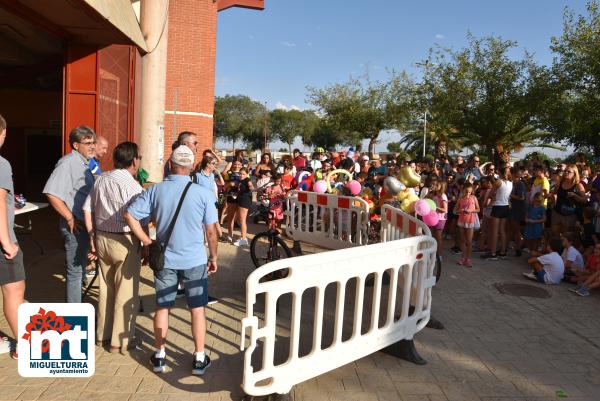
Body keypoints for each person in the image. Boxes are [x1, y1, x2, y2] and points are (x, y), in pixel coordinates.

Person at [125, 145, 218, 375]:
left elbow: (130, 214)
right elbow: (211, 232)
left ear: (171, 164)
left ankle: (159, 354)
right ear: (192, 167)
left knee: (163, 307)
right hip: (195, 259)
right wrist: (214, 256)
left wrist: (147, 242)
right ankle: (198, 357)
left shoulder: (156, 190)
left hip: (165, 259)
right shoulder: (203, 193)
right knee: (197, 309)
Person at [83, 142, 144, 353]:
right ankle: (120, 341)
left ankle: (102, 335)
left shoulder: (101, 180)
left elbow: (86, 208)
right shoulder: (134, 187)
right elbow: (139, 218)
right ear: (134, 160)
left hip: (101, 237)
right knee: (125, 292)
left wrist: (92, 234)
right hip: (125, 240)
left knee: (106, 289)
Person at [43, 125, 96, 303]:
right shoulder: (67, 164)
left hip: (83, 225)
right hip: (75, 226)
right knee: (75, 273)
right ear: (75, 145)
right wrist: (69, 217)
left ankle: (80, 308)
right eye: (87, 143)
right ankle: (75, 316)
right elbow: (52, 193)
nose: (92, 146)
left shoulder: (86, 163)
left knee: (80, 269)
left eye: (93, 142)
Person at [0, 114, 25, 359]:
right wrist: (7, 241)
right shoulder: (2, 164)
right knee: (14, 290)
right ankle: (22, 343)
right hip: (2, 241)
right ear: (3, 134)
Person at [481, 166, 512, 261]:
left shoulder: (498, 182)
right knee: (502, 230)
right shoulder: (511, 183)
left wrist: (490, 198)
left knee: (494, 231)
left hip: (498, 206)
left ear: (500, 172)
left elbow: (491, 194)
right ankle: (503, 252)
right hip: (505, 206)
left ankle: (493, 253)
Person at [551, 164, 587, 234]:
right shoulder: (559, 183)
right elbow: (554, 193)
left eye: (569, 172)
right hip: (557, 213)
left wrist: (575, 195)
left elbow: (585, 200)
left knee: (568, 237)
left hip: (570, 216)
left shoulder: (578, 185)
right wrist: (553, 204)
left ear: (574, 174)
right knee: (555, 235)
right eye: (565, 171)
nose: (566, 173)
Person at [454, 182, 480, 268]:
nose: (468, 194)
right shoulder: (460, 198)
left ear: (471, 191)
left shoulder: (474, 198)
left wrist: (471, 211)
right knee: (462, 240)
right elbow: (455, 210)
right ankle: (462, 257)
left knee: (469, 241)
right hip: (461, 221)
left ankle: (468, 259)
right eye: (466, 192)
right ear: (463, 190)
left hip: (470, 221)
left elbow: (478, 209)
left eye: (469, 192)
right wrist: (460, 210)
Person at [228, 168, 253, 246]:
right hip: (241, 200)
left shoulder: (247, 179)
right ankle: (243, 238)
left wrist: (251, 186)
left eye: (243, 174)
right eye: (240, 174)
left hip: (245, 200)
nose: (241, 175)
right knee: (241, 219)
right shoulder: (240, 181)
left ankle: (243, 239)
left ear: (246, 174)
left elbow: (250, 185)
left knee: (242, 220)